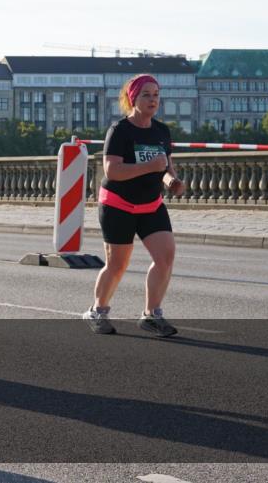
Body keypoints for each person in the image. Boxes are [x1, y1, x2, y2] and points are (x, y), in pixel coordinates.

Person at [82, 74, 186, 338]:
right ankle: (97, 310)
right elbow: (112, 171)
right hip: (118, 204)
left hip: (151, 204)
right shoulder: (120, 131)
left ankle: (152, 315)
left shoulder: (161, 130)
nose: (153, 100)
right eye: (146, 95)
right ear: (133, 99)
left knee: (166, 257)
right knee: (117, 264)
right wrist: (148, 167)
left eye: (156, 95)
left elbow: (165, 166)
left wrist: (172, 180)